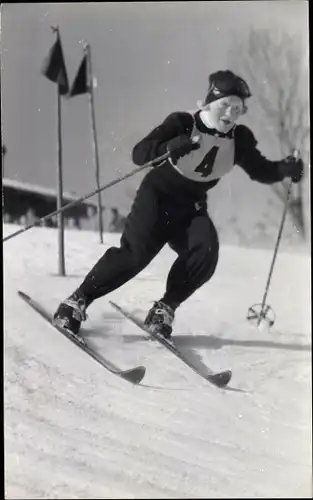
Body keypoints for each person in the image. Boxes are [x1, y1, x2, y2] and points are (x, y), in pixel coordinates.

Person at [53, 70, 304, 339]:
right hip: (158, 196)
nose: (230, 115)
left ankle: (164, 309)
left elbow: (260, 169)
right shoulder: (184, 122)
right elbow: (140, 153)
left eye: (238, 109)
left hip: (191, 206)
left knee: (206, 250)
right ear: (209, 103)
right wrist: (169, 146)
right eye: (225, 106)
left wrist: (285, 169)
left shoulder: (238, 140)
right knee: (135, 256)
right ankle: (77, 301)